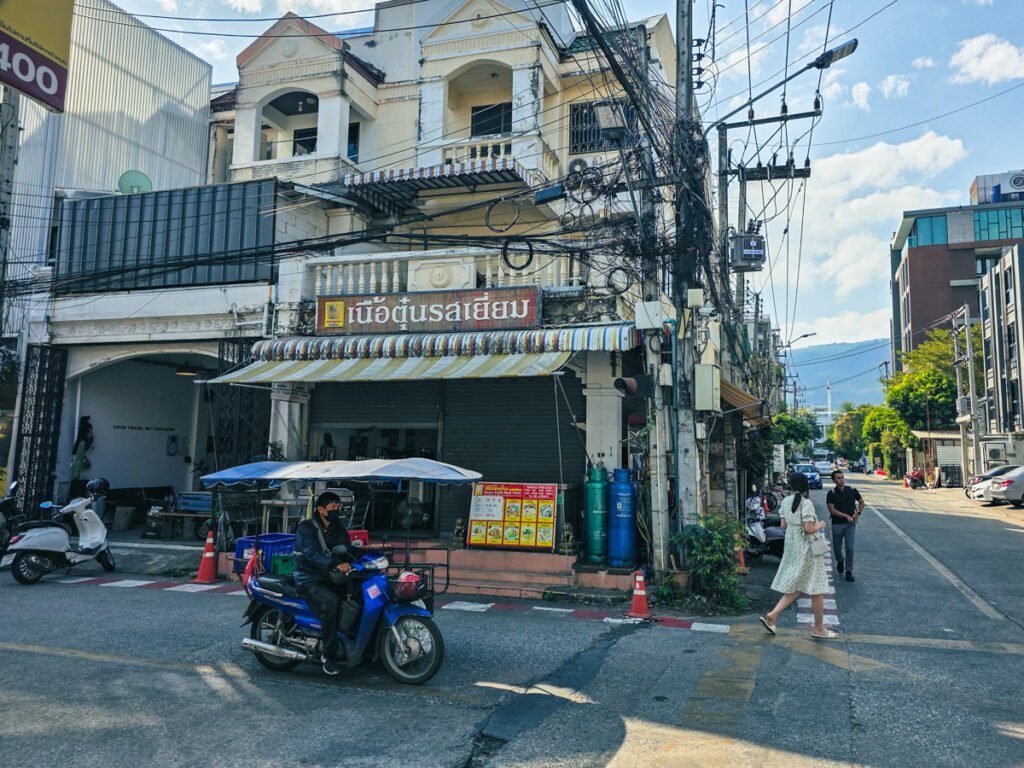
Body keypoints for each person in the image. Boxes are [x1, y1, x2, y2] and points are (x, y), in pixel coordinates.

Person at [759, 472, 837, 639]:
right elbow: (809, 529)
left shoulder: (786, 501)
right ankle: (819, 629)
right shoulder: (806, 503)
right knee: (817, 588)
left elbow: (783, 524)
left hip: (792, 546)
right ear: (805, 486)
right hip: (807, 547)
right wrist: (820, 524)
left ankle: (774, 615)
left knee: (799, 585)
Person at [294, 491, 354, 675]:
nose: (338, 510)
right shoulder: (306, 528)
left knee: (355, 595)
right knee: (330, 602)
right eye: (333, 507)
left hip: (331, 577)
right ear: (321, 509)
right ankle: (329, 655)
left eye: (339, 506)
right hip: (309, 578)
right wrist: (336, 564)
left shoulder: (338, 529)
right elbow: (312, 555)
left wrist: (369, 554)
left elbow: (348, 550)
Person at [826, 469, 864, 582]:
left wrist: (857, 513)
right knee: (837, 547)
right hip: (837, 524)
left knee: (850, 547)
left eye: (842, 477)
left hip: (850, 524)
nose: (841, 480)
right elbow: (832, 510)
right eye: (838, 478)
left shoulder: (852, 491)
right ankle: (840, 560)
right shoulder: (831, 493)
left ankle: (849, 571)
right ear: (834, 480)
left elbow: (862, 502)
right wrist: (845, 516)